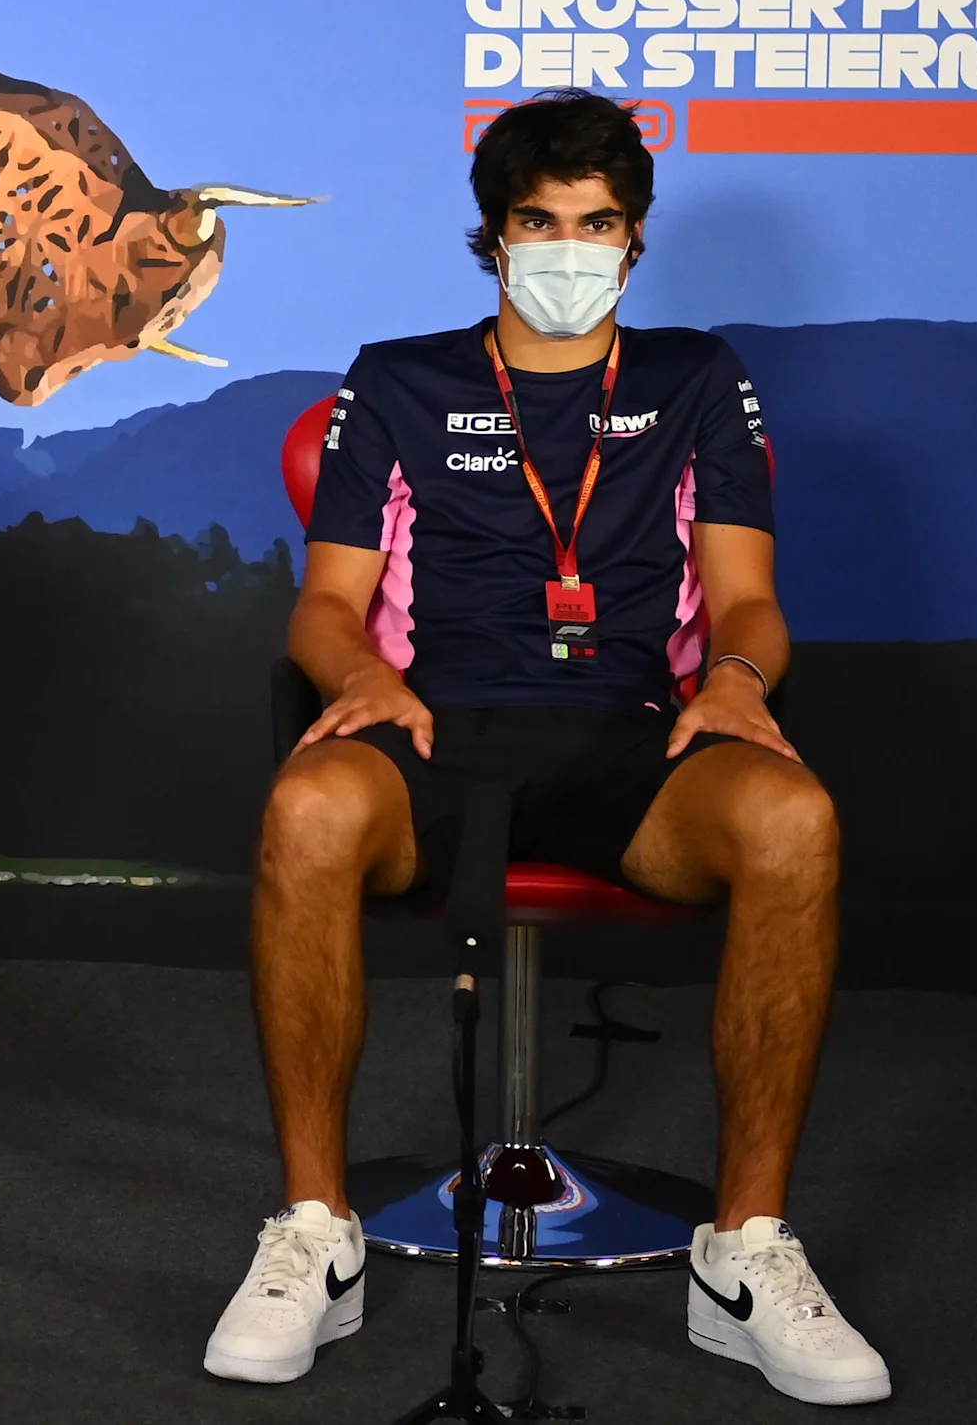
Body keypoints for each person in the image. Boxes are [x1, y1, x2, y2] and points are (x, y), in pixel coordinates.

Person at [202, 91, 889, 1405]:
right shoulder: (400, 380)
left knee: (796, 820)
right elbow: (327, 607)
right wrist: (356, 681)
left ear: (633, 243)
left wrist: (740, 682)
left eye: (597, 224)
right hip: (433, 734)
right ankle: (312, 1235)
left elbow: (745, 599)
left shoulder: (697, 378)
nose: (568, 249)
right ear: (493, 235)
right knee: (304, 812)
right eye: (539, 222)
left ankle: (742, 1260)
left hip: (638, 740)